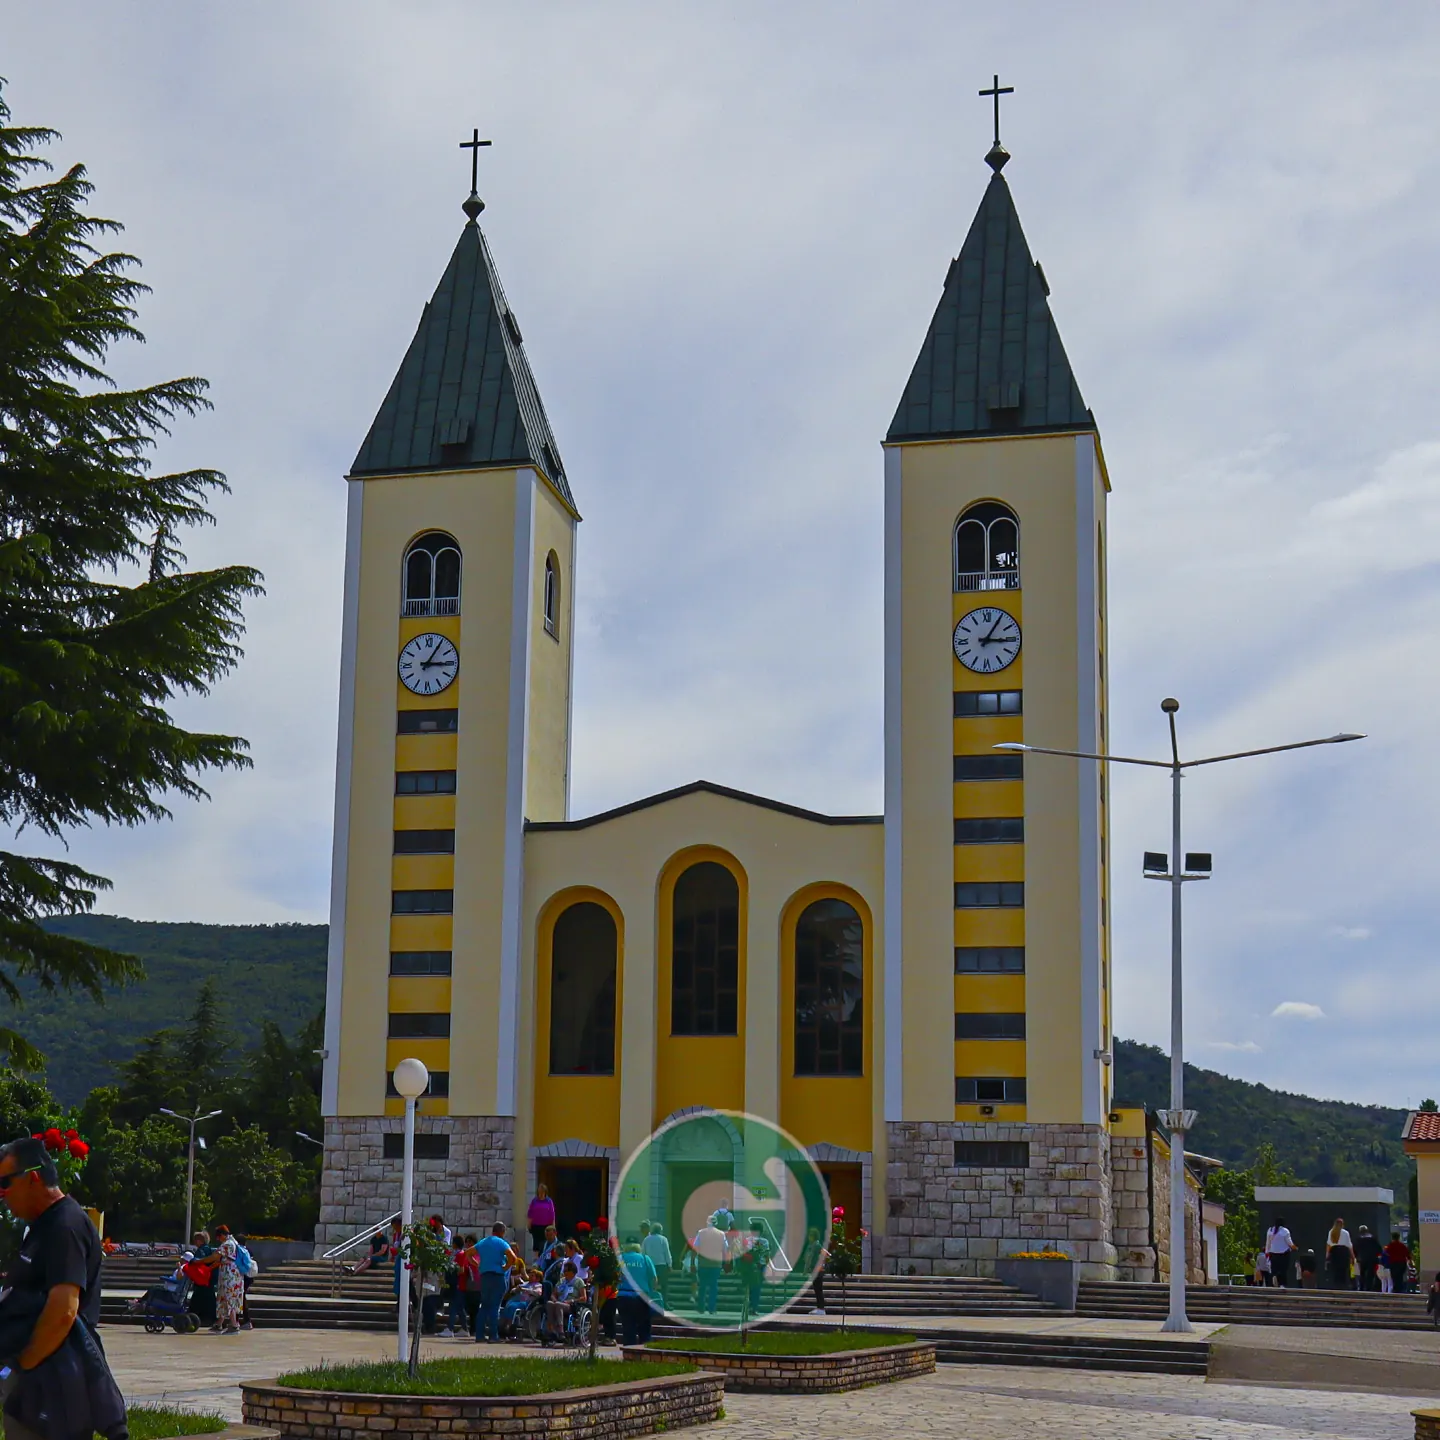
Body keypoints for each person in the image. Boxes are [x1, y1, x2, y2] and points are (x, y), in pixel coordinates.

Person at [0, 1135, 125, 1440]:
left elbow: (64, 1310)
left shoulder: (65, 1226)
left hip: (53, 1382)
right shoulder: (42, 1225)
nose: (2, 1194)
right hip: (39, 1379)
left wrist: (25, 1363)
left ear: (32, 1177)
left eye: (5, 1183)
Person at [474, 1222, 522, 1342]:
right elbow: (513, 1258)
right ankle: (493, 1336)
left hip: (485, 1277)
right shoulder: (501, 1242)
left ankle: (479, 1335)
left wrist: (477, 1264)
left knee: (484, 1306)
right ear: (502, 1232)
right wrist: (505, 1267)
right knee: (495, 1307)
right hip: (497, 1276)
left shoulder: (483, 1242)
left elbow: (468, 1253)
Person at [617, 1239, 660, 1346]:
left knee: (628, 1327)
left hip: (623, 1296)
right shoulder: (645, 1259)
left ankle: (628, 1350)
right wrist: (652, 1290)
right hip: (642, 1297)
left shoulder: (620, 1259)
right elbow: (654, 1279)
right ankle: (644, 1350)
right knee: (644, 1328)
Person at [690, 1213, 729, 1315]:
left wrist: (692, 1263)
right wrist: (726, 1263)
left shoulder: (701, 1233)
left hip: (703, 1263)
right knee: (713, 1286)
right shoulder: (721, 1234)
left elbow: (695, 1248)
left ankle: (701, 1307)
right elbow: (725, 1249)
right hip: (716, 1264)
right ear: (716, 1223)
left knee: (702, 1286)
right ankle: (712, 1308)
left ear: (707, 1223)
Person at [210, 1224, 245, 1335]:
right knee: (223, 1298)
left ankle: (234, 1325)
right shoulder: (233, 1242)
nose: (218, 1239)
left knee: (229, 1299)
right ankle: (219, 1323)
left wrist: (199, 1262)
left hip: (230, 1277)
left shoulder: (228, 1244)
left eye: (218, 1237)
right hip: (230, 1276)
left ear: (222, 1235)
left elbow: (215, 1256)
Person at [735, 1220, 772, 1317]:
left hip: (748, 1266)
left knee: (750, 1287)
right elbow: (767, 1255)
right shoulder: (764, 1241)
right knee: (757, 1288)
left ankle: (748, 1305)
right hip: (760, 1266)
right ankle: (753, 1307)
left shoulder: (746, 1240)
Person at [544, 1261, 585, 1345]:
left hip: (571, 1305)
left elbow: (584, 1297)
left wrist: (571, 1301)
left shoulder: (579, 1281)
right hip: (559, 1302)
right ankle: (551, 1329)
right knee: (549, 1303)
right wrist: (554, 1299)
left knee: (558, 1305)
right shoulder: (561, 1281)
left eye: (566, 1270)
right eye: (564, 1270)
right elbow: (553, 1294)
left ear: (572, 1271)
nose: (564, 1272)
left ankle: (561, 1331)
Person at [799, 1227, 829, 1314]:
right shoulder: (811, 1246)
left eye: (811, 1235)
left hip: (817, 1271)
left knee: (818, 1290)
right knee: (817, 1289)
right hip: (813, 1270)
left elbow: (824, 1254)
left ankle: (821, 1309)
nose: (809, 1237)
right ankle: (819, 1308)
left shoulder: (816, 1246)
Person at [1263, 1216, 1296, 1288]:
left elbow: (1268, 1242)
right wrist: (1295, 1248)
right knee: (1283, 1269)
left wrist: (1267, 1252)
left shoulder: (1270, 1230)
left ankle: (1274, 1276)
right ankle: (1282, 1284)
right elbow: (1289, 1243)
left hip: (1273, 1253)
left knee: (1274, 1268)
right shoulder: (1285, 1231)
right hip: (1283, 1253)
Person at [527, 1184, 556, 1260]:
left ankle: (544, 1260)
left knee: (545, 1243)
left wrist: (553, 1226)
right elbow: (530, 1213)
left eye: (542, 1192)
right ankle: (536, 1260)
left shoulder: (549, 1201)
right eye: (539, 1192)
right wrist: (529, 1224)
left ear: (545, 1192)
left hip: (546, 1227)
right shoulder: (534, 1201)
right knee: (536, 1243)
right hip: (536, 1226)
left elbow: (552, 1214)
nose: (541, 1194)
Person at [1325, 1217, 1354, 1289]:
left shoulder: (1331, 1232)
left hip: (1334, 1252)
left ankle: (1336, 1287)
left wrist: (1327, 1255)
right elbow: (1349, 1245)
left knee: (1335, 1271)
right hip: (1344, 1252)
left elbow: (1329, 1244)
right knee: (1343, 1271)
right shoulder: (1346, 1233)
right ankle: (1343, 1287)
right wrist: (1353, 1256)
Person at [1353, 1225, 1383, 1292]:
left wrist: (1356, 1257)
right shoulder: (1373, 1239)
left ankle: (1361, 1287)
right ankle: (1369, 1288)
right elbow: (1379, 1249)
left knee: (1362, 1273)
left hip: (1362, 1259)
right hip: (1372, 1259)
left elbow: (1355, 1249)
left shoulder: (1358, 1239)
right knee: (1370, 1274)